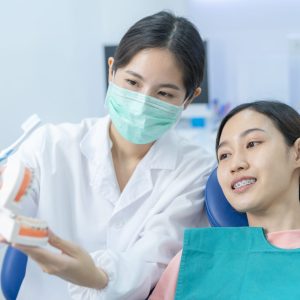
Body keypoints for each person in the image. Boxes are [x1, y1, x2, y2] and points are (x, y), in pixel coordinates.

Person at [0, 11, 215, 300]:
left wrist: (97, 275)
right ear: (112, 70)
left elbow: (154, 260)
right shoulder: (49, 145)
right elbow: (13, 204)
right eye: (133, 83)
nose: (142, 104)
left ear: (189, 98)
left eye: (164, 94)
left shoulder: (195, 171)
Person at [150, 100, 300, 299]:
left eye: (252, 144)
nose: (235, 164)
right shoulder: (193, 261)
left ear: (297, 153)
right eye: (224, 155)